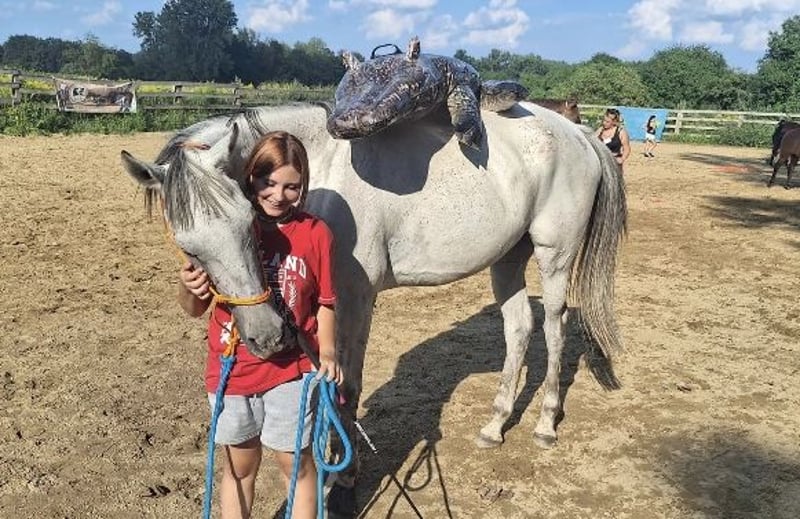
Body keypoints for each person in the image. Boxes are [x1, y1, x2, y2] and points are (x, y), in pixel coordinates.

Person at [178, 130, 343, 519]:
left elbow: (325, 302)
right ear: (250, 176)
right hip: (234, 366)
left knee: (296, 464)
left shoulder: (316, 233)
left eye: (291, 186)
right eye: (267, 182)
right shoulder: (227, 225)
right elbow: (194, 308)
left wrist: (328, 351)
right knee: (240, 466)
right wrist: (188, 287)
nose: (277, 195)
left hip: (292, 368)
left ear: (303, 186)